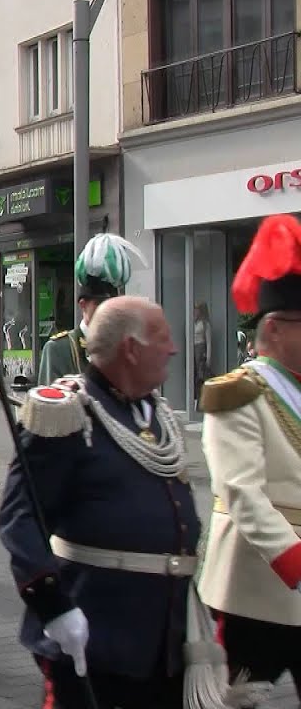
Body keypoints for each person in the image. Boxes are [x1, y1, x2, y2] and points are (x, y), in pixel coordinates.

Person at [0, 295, 197, 707]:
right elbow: (21, 517)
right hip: (97, 629)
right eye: (163, 338)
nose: (173, 348)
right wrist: (53, 607)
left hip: (163, 634)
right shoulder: (69, 413)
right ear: (131, 348)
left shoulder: (153, 413)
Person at [198, 214, 301, 702]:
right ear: (276, 328)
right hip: (255, 586)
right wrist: (296, 559)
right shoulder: (238, 394)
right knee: (237, 697)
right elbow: (241, 491)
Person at [38, 233, 143, 384]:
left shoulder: (125, 348)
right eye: (100, 305)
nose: (107, 312)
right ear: (83, 305)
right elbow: (47, 405)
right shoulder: (59, 349)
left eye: (112, 305)